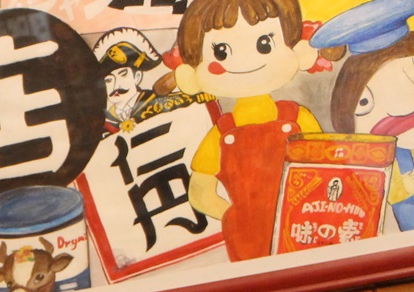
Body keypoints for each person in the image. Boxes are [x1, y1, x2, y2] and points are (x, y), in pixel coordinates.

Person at [175, 0, 327, 259]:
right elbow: (199, 192)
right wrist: (235, 218)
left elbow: (327, 166)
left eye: (264, 44)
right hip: (249, 242)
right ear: (191, 74)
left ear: (298, 51)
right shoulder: (221, 134)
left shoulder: (298, 118)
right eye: (221, 51)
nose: (245, 61)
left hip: (307, 226)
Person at [330, 35, 414, 230]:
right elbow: (387, 190)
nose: (398, 110)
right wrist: (405, 187)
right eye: (364, 102)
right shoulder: (381, 157)